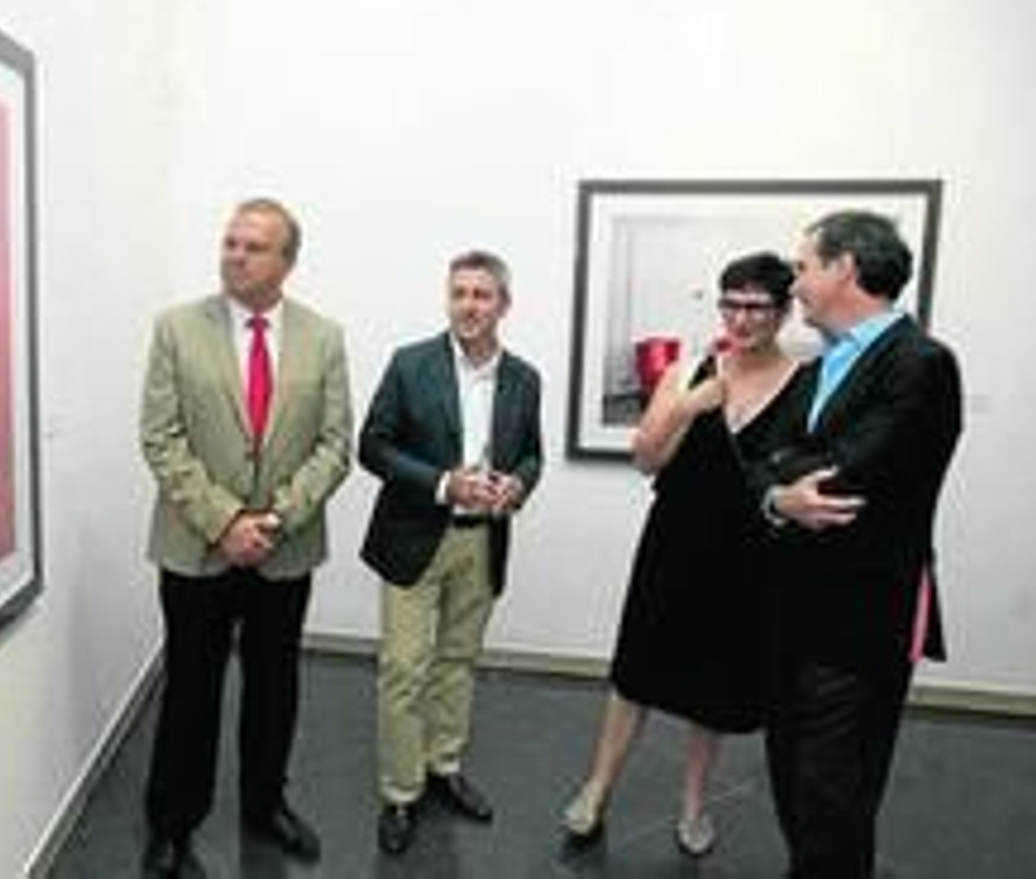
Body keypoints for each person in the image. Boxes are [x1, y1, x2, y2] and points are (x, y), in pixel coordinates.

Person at [137, 198, 353, 877]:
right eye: (230, 242)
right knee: (190, 689)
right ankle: (172, 821)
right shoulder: (177, 329)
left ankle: (265, 805)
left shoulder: (323, 336)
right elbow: (161, 436)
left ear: (287, 261)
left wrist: (276, 519)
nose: (235, 254)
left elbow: (335, 443)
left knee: (274, 686)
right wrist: (226, 520)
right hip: (197, 546)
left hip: (284, 549)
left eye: (254, 246)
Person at [560, 252, 802, 857]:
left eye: (756, 306)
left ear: (783, 311)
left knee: (713, 687)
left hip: (748, 553)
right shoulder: (692, 370)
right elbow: (646, 456)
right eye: (732, 304)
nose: (742, 319)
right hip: (674, 541)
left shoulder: (804, 383)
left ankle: (695, 804)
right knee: (635, 671)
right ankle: (596, 787)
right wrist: (690, 406)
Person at [756, 210, 962, 878]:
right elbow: (760, 457)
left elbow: (852, 471)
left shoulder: (922, 363)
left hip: (863, 619)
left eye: (804, 266)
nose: (796, 281)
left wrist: (791, 472)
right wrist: (781, 493)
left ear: (844, 268)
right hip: (791, 611)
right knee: (790, 771)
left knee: (836, 790)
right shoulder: (820, 364)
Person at [359, 249, 544, 855]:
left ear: (503, 305)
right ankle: (400, 791)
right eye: (459, 293)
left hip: (482, 540)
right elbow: (373, 447)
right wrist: (443, 483)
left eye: (481, 295)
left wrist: (518, 483)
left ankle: (443, 767)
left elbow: (531, 454)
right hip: (414, 539)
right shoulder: (410, 365)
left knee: (458, 661)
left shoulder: (524, 378)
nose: (468, 305)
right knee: (404, 669)